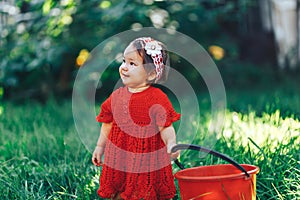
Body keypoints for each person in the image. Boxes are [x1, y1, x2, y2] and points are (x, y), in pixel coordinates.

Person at [92, 37, 180, 200]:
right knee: (119, 189)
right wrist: (99, 146)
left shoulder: (157, 98)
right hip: (120, 155)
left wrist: (171, 144)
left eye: (132, 64)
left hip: (146, 158)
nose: (124, 67)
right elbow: (107, 123)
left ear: (152, 73)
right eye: (124, 61)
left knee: (145, 190)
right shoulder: (116, 96)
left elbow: (166, 127)